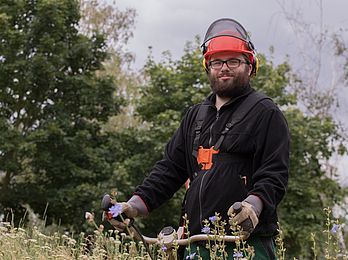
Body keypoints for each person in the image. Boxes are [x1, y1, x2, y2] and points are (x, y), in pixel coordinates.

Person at [106, 18, 289, 259]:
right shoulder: (195, 116)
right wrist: (131, 207)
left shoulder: (265, 113)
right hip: (195, 244)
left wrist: (253, 205)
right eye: (216, 61)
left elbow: (274, 175)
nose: (224, 67)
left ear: (250, 65)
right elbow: (169, 170)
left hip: (245, 244)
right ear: (207, 66)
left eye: (233, 60)